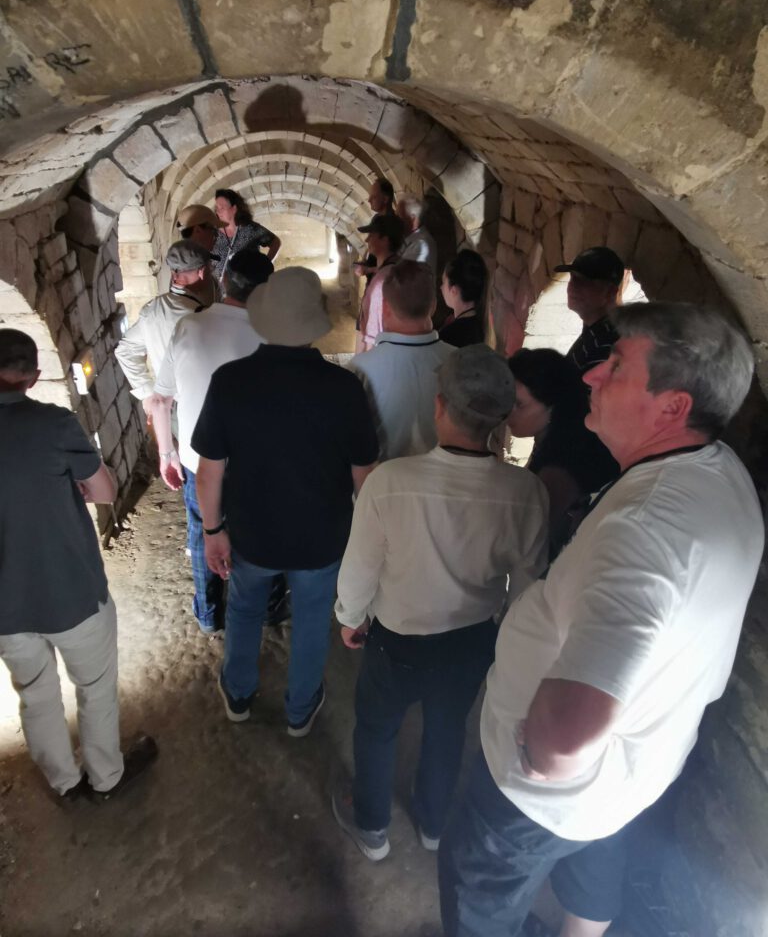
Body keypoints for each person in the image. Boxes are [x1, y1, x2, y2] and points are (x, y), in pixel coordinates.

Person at [439, 303, 764, 937]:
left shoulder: (643, 530)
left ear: (671, 407)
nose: (589, 376)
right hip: (635, 771)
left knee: (479, 891)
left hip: (545, 799)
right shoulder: (720, 470)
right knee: (594, 871)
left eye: (615, 367)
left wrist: (532, 755)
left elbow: (565, 738)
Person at [332, 345, 549, 861]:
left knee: (377, 728)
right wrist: (504, 637)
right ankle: (432, 823)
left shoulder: (390, 482)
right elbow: (528, 586)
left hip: (396, 640)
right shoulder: (526, 492)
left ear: (439, 406)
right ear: (501, 418)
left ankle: (373, 826)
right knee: (448, 731)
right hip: (471, 641)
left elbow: (360, 566)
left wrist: (349, 616)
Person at [192, 267, 379, 735]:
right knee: (312, 619)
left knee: (244, 609)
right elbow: (365, 478)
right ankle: (300, 709)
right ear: (315, 324)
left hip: (252, 534)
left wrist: (213, 531)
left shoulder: (230, 381)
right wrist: (366, 544)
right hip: (322, 537)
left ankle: (238, 694)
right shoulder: (344, 388)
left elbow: (209, 471)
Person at [0, 329, 157, 801]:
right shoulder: (54, 424)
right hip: (71, 589)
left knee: (35, 693)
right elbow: (104, 491)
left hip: (6, 606)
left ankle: (64, 782)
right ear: (34, 377)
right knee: (95, 687)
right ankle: (105, 777)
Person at [148, 245, 274, 634]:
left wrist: (167, 453)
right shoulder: (271, 335)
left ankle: (208, 612)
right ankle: (265, 607)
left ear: (223, 280)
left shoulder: (188, 326)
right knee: (260, 532)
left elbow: (161, 399)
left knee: (204, 531)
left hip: (197, 459)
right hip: (254, 461)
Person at [507, 348, 619, 560]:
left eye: (519, 405)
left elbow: (537, 537)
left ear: (552, 407)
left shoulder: (557, 468)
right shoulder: (565, 440)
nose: (508, 412)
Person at [349, 260, 454, 461]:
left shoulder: (359, 370)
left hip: (381, 478)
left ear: (385, 307)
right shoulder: (459, 362)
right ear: (433, 305)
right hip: (442, 479)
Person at [114, 240, 213, 419]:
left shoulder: (152, 309)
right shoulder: (201, 316)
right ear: (202, 272)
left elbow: (125, 351)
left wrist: (147, 394)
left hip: (170, 408)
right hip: (202, 407)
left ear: (173, 273)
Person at [555, 247, 624, 374]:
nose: (572, 286)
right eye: (572, 277)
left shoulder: (607, 345)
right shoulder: (596, 331)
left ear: (610, 292)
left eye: (583, 281)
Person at [356, 213, 405, 352]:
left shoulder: (382, 280)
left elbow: (373, 334)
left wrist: (367, 357)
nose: (367, 240)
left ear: (385, 239)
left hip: (380, 351)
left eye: (371, 235)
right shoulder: (400, 267)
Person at [213, 188, 281, 281]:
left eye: (222, 208)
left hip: (249, 285)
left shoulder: (250, 228)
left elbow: (275, 242)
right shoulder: (212, 233)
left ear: (234, 209)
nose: (218, 212)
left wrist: (265, 265)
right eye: (217, 208)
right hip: (220, 287)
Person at [439, 250, 488, 348]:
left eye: (443, 282)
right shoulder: (479, 327)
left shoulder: (448, 336)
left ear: (454, 290)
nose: (441, 287)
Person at [397, 194, 437, 274]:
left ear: (413, 218)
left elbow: (399, 275)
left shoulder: (421, 244)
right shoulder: (409, 239)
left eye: (399, 216)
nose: (395, 220)